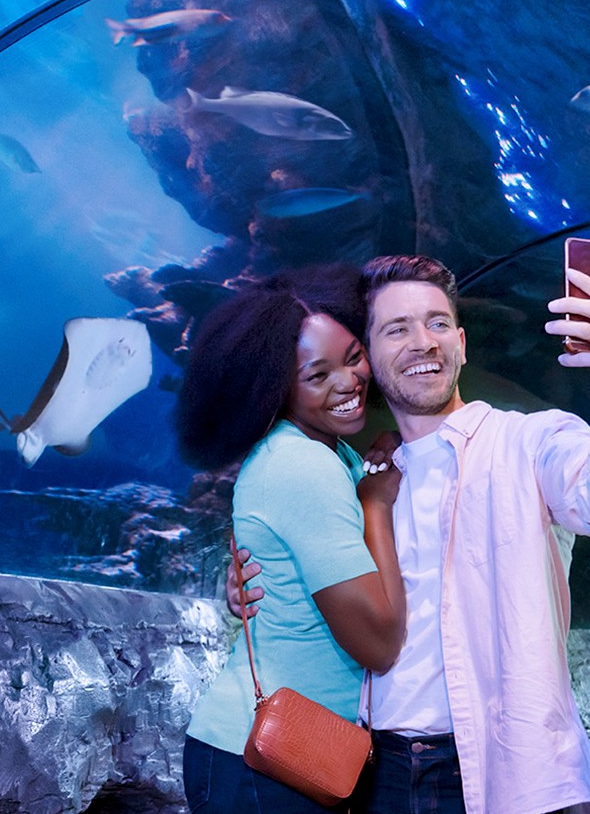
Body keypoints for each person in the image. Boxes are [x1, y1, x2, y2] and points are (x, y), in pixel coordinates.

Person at [231, 253, 590, 814]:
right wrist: (249, 579)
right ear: (368, 358)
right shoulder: (361, 477)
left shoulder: (528, 442)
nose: (423, 342)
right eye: (397, 329)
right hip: (375, 773)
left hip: (510, 770)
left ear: (461, 344)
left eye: (437, 323)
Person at [178, 267, 407, 813]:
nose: (348, 382)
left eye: (354, 357)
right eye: (317, 375)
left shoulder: (330, 451)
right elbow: (378, 644)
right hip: (261, 760)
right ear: (278, 388)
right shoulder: (302, 464)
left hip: (296, 754)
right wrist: (376, 505)